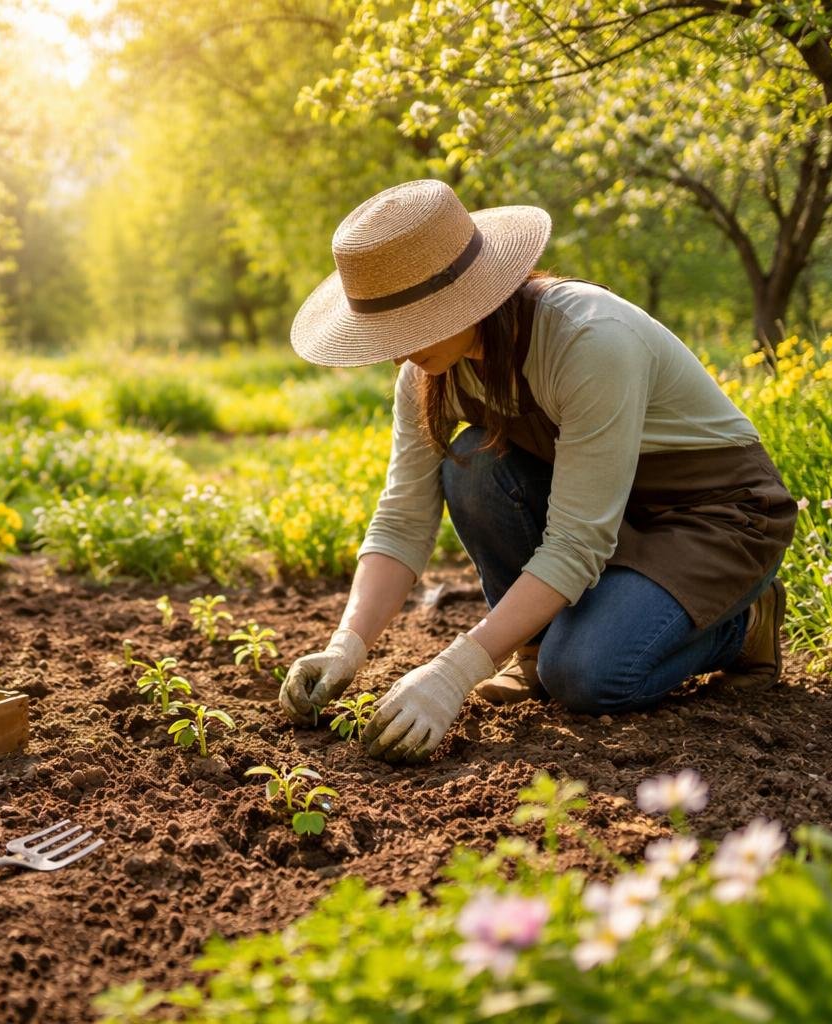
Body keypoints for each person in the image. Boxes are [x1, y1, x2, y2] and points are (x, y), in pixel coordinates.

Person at [279, 179, 797, 763]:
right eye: (387, 332)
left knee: (586, 676)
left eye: (412, 325)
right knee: (473, 464)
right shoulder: (430, 372)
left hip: (716, 519)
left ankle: (740, 624)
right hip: (610, 514)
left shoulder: (589, 340)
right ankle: (532, 645)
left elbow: (578, 540)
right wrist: (346, 646)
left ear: (468, 297)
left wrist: (455, 672)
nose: (399, 351)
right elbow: (402, 520)